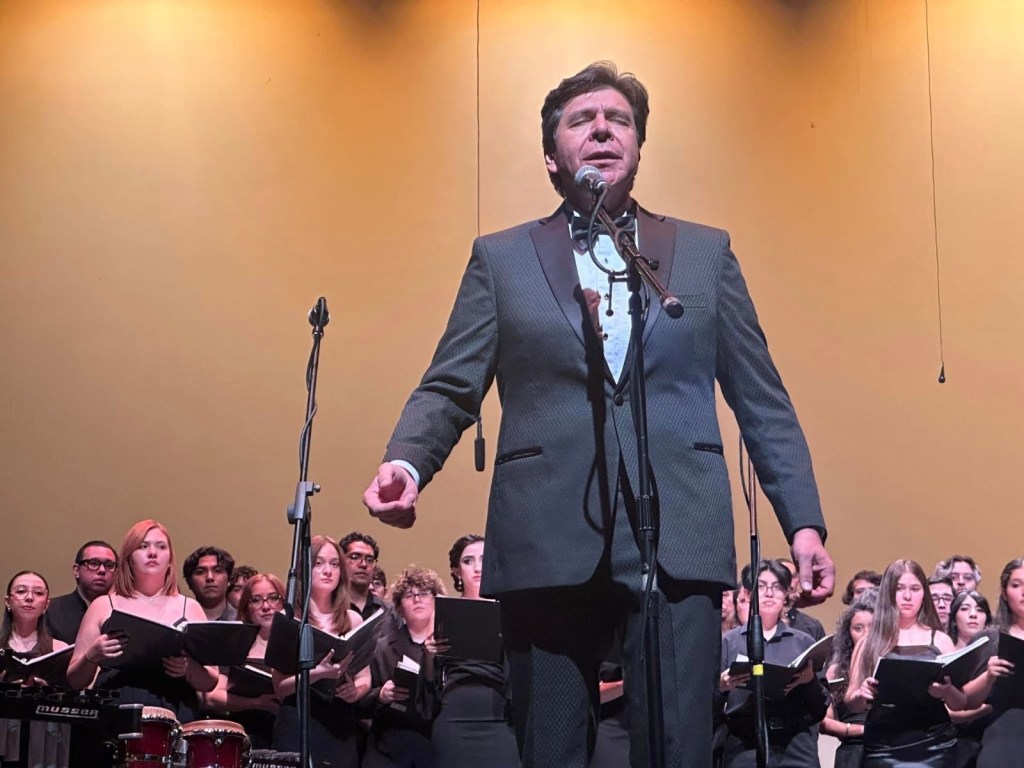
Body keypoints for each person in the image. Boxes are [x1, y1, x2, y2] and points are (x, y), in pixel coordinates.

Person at [361, 60, 834, 768]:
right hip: (545, 532)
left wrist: (803, 523)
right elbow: (451, 384)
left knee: (678, 749)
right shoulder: (502, 259)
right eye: (583, 120)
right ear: (552, 157)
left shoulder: (704, 254)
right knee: (551, 748)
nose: (604, 130)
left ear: (638, 147)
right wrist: (407, 462)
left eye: (620, 120)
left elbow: (761, 397)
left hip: (678, 528)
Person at [67, 520, 218, 722]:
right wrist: (91, 656)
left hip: (174, 708)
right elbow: (75, 680)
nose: (152, 553)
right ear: (129, 558)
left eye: (161, 547)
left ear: (170, 559)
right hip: (116, 707)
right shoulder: (103, 605)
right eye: (143, 546)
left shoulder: (190, 607)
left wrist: (189, 668)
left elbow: (210, 681)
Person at [845, 559, 967, 767]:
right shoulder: (869, 641)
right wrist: (861, 694)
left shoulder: (940, 640)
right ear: (888, 593)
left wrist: (946, 691)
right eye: (899, 588)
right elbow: (851, 702)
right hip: (884, 745)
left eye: (915, 589)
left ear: (924, 594)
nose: (908, 596)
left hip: (935, 743)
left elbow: (960, 703)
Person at [270, 535, 369, 768]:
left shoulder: (352, 619)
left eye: (334, 564)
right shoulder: (288, 619)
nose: (328, 571)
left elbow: (365, 677)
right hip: (298, 719)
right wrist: (318, 673)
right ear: (305, 569)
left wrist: (355, 692)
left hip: (339, 723)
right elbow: (280, 688)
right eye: (319, 563)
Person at [718, 560, 826, 767]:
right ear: (747, 593)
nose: (769, 593)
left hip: (795, 744)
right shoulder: (729, 642)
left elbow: (820, 708)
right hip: (745, 744)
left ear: (786, 594)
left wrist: (810, 680)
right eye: (761, 586)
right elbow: (708, 707)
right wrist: (722, 687)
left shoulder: (803, 641)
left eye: (777, 587)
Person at [431, 535, 519, 767]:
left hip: (501, 715)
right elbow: (430, 680)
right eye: (468, 561)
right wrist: (429, 653)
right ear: (457, 571)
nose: (478, 567)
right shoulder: (442, 613)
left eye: (484, 559)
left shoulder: (510, 612)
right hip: (455, 714)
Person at [362, 568, 444, 768]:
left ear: (436, 601)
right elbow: (360, 702)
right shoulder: (381, 648)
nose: (417, 599)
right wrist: (381, 695)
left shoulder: (449, 648)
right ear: (398, 607)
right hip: (389, 748)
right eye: (409, 595)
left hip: (434, 746)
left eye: (424, 593)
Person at [202, 573, 284, 750]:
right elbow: (212, 697)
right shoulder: (235, 644)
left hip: (288, 734)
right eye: (256, 600)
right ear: (246, 608)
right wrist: (257, 703)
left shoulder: (296, 644)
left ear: (284, 603)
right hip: (245, 736)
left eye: (273, 598)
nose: (266, 606)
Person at [0, 572, 71, 768]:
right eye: (21, 591)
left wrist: (50, 691)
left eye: (38, 593)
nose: (29, 597)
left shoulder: (60, 649)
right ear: (8, 601)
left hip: (45, 737)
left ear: (46, 604)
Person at [961, 557, 1024, 768]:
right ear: (1005, 592)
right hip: (1002, 738)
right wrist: (988, 677)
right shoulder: (988, 639)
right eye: (1016, 585)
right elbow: (964, 700)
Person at [819, 589, 877, 768]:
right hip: (852, 751)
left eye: (872, 627)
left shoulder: (891, 665)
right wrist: (856, 730)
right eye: (858, 628)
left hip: (887, 748)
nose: (866, 634)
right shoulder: (836, 670)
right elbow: (824, 721)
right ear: (848, 633)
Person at [45, 541, 118, 645]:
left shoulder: (123, 612)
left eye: (109, 565)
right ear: (76, 570)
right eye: (93, 563)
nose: (102, 570)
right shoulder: (51, 610)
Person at [182, 546, 237, 621]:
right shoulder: (176, 623)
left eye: (217, 571)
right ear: (189, 582)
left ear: (229, 579)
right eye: (200, 572)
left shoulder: (244, 623)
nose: (210, 577)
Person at [780, 559, 827, 641]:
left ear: (798, 581)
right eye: (783, 576)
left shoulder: (813, 627)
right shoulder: (757, 624)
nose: (788, 582)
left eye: (792, 576)